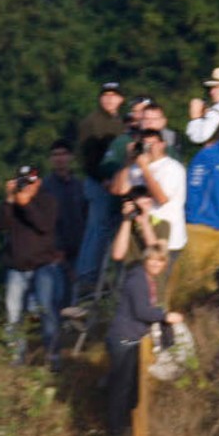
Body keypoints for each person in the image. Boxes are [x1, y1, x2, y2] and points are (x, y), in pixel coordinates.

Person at [104, 241, 184, 436]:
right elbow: (141, 311)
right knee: (122, 387)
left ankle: (123, 426)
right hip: (124, 339)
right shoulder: (138, 280)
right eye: (153, 260)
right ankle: (115, 431)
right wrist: (166, 316)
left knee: (127, 385)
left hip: (130, 339)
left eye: (161, 261)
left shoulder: (147, 279)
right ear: (145, 260)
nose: (156, 264)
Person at [0, 164, 64, 368]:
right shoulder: (12, 203)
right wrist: (10, 199)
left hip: (42, 266)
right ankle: (16, 357)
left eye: (31, 181)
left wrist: (26, 204)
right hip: (17, 268)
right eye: (23, 181)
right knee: (13, 314)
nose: (27, 186)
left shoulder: (47, 201)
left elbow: (45, 225)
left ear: (39, 182)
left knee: (46, 309)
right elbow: (1, 225)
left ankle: (53, 355)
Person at [75, 82, 127, 288]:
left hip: (114, 182)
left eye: (114, 95)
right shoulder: (92, 122)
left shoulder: (120, 122)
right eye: (106, 95)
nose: (109, 99)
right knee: (97, 228)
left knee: (107, 228)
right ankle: (88, 275)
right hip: (99, 182)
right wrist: (102, 179)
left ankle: (100, 274)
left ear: (120, 99)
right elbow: (87, 157)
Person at [111, 128, 188, 262]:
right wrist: (128, 162)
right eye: (145, 145)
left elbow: (161, 198)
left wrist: (145, 169)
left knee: (158, 281)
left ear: (162, 144)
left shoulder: (173, 168)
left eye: (152, 144)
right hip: (140, 234)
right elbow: (118, 190)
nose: (149, 149)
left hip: (167, 238)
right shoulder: (136, 166)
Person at [46, 140, 86, 294]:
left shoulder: (79, 185)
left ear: (70, 157)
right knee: (57, 294)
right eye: (55, 155)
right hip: (55, 251)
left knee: (77, 293)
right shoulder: (46, 187)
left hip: (79, 247)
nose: (59, 158)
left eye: (63, 154)